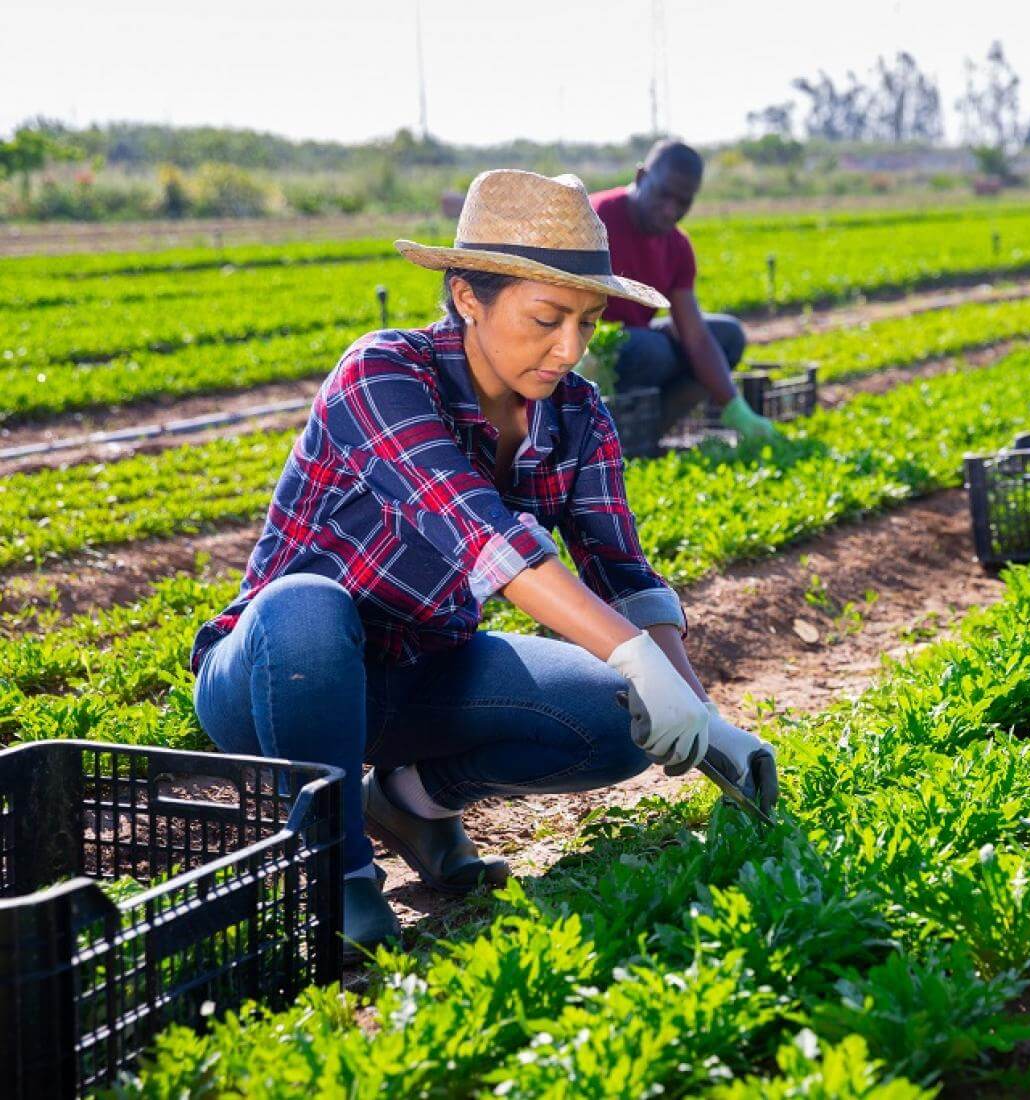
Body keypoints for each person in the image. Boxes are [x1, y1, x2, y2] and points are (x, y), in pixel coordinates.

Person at [189, 169, 779, 959]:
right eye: (545, 318)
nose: (569, 348)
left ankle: (408, 803)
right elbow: (480, 535)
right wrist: (638, 657)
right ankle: (338, 868)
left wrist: (699, 717)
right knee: (307, 606)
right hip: (276, 681)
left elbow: (625, 575)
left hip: (421, 674)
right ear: (468, 296)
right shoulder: (385, 373)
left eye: (589, 322)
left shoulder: (578, 415)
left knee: (617, 718)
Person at [590, 140, 778, 440]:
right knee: (652, 350)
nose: (670, 211)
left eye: (683, 203)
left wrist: (737, 411)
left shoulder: (677, 245)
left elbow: (694, 334)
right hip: (586, 353)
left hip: (638, 343)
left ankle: (648, 434)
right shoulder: (595, 220)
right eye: (663, 195)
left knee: (727, 338)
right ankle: (604, 433)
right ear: (641, 177)